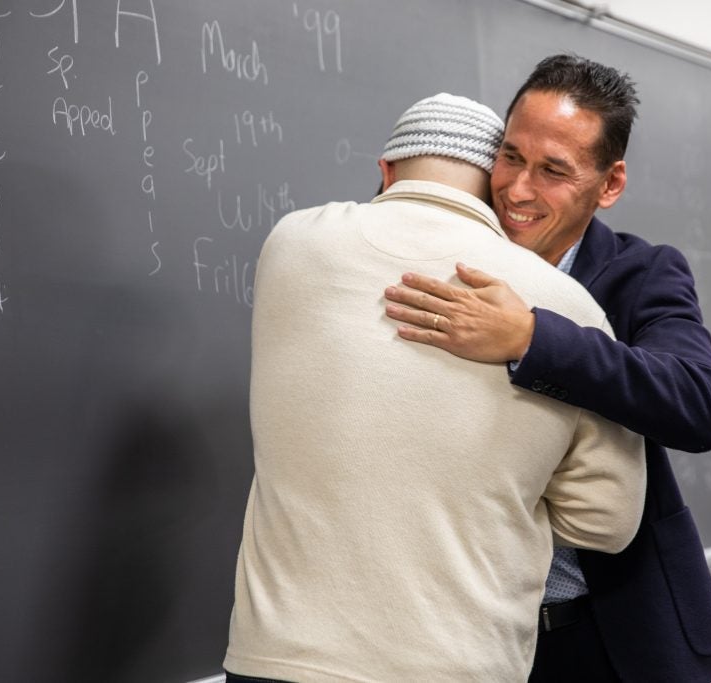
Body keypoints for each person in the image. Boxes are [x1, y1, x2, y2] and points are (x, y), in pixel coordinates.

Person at [223, 93, 647, 683]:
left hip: (275, 654)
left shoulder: (291, 244)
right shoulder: (564, 306)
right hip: (456, 662)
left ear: (386, 171)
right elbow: (605, 522)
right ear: (494, 191)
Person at [383, 56, 711, 682]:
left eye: (553, 171)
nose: (517, 190)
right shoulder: (441, 258)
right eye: (511, 157)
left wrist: (531, 337)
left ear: (609, 184)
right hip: (460, 637)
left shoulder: (643, 272)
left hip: (606, 636)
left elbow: (701, 405)